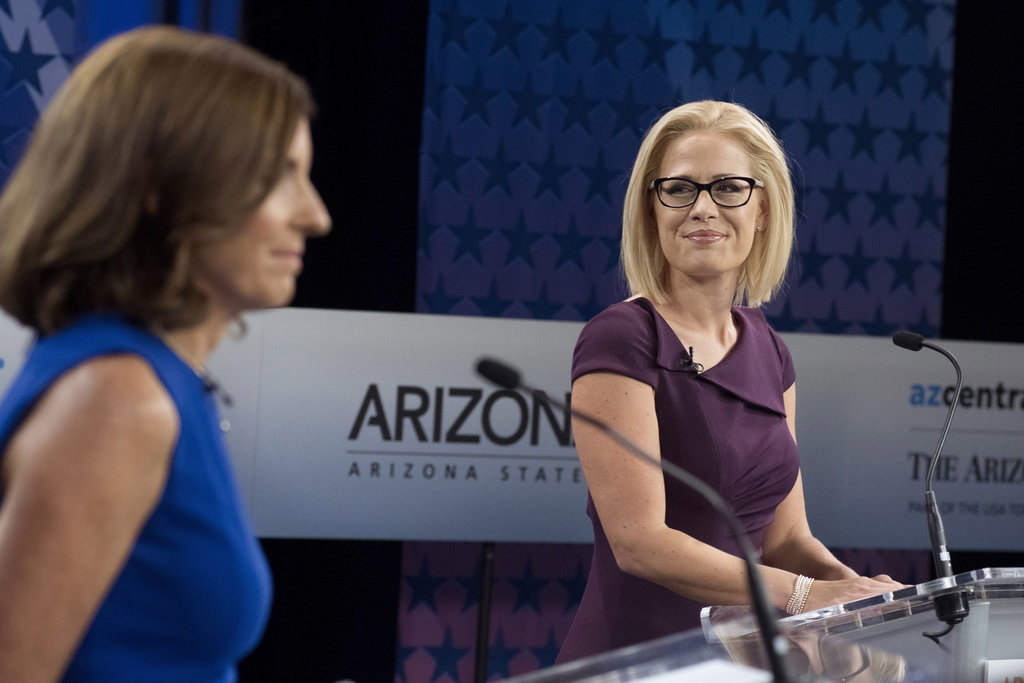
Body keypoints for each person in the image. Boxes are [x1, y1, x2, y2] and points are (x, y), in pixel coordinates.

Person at [0, 26, 331, 681]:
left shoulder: (158, 382)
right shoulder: (118, 400)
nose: (315, 215)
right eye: (277, 178)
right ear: (162, 186)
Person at [556, 100, 903, 663]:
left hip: (737, 662)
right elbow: (640, 543)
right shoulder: (621, 337)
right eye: (679, 189)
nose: (702, 208)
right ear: (652, 211)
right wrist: (808, 595)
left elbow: (787, 539)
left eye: (727, 188)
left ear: (763, 209)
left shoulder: (770, 350)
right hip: (637, 659)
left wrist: (861, 598)